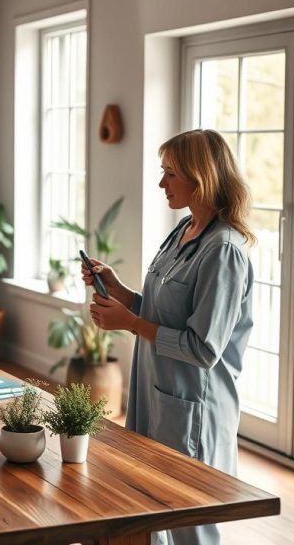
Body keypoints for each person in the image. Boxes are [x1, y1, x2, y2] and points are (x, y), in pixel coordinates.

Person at [82, 129, 255, 545]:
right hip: (157, 394)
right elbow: (161, 310)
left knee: (188, 522)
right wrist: (119, 289)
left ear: (202, 178)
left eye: (170, 174)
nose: (162, 184)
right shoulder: (183, 231)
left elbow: (203, 347)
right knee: (150, 509)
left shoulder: (224, 251)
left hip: (193, 406)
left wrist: (128, 323)